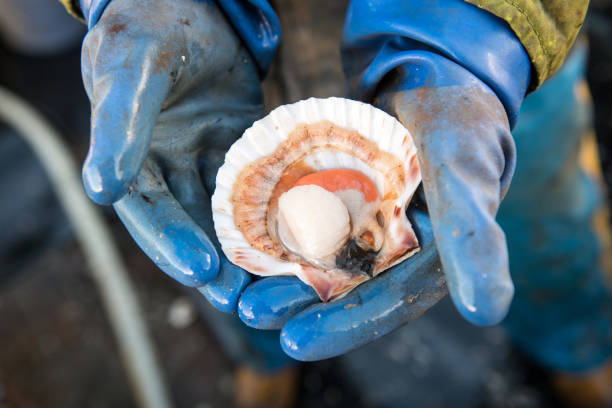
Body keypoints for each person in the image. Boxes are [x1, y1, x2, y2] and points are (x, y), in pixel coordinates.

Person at [60, 0, 611, 406]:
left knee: (541, 220)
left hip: (477, 71)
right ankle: (264, 359)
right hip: (229, 54)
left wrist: (477, 30)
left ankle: (576, 345)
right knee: (216, 249)